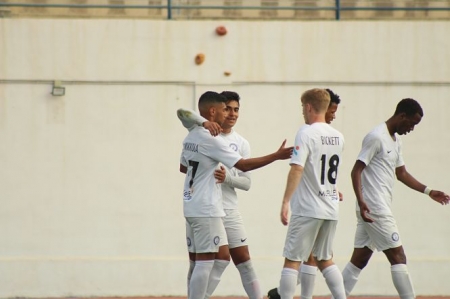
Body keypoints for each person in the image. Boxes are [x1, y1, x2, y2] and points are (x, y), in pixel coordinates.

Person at [179, 91, 293, 299]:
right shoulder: (210, 137)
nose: (230, 113)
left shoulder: (198, 134)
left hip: (215, 207)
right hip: (208, 207)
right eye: (226, 109)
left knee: (230, 259)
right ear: (214, 111)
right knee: (204, 261)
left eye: (235, 109)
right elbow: (242, 164)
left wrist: (226, 178)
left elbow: (245, 180)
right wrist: (276, 156)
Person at [336, 98, 450, 299]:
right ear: (402, 116)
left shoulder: (396, 140)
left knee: (359, 260)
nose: (411, 129)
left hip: (373, 208)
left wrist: (428, 191)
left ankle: (338, 296)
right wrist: (362, 201)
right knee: (398, 256)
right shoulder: (376, 137)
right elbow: (356, 171)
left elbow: (402, 173)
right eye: (411, 124)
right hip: (374, 208)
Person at [267, 88, 342, 299]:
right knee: (324, 258)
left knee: (292, 260)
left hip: (308, 208)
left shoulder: (306, 132)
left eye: (303, 107)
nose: (302, 112)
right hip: (331, 208)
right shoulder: (338, 136)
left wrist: (285, 201)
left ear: (308, 107)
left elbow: (297, 167)